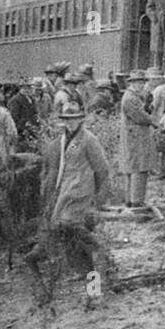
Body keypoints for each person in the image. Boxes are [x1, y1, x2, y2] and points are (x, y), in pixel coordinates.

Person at [28, 100, 112, 292]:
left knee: (73, 232)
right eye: (67, 119)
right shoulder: (62, 141)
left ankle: (97, 263)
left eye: (74, 119)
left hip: (81, 195)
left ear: (80, 119)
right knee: (71, 242)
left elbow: (102, 170)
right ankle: (91, 285)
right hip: (65, 194)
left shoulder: (89, 140)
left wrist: (98, 198)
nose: (70, 123)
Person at [120, 70, 157, 208]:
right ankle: (136, 200)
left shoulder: (134, 96)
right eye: (138, 82)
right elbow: (140, 117)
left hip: (136, 137)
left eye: (142, 82)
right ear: (132, 83)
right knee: (138, 167)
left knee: (135, 167)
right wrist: (154, 121)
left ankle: (132, 199)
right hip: (135, 138)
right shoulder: (130, 98)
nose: (141, 85)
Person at [150, 68, 165, 180]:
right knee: (157, 147)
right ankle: (157, 171)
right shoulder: (160, 90)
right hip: (158, 122)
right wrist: (155, 122)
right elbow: (153, 107)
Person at [8, 79, 40, 152]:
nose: (27, 90)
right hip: (21, 134)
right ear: (20, 88)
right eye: (24, 88)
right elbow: (14, 118)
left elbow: (35, 114)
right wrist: (24, 127)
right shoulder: (15, 100)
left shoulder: (31, 99)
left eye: (29, 87)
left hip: (32, 132)